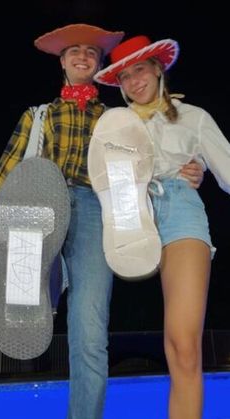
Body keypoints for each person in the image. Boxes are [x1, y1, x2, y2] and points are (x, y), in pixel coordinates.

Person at [0, 24, 204, 419]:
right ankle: (30, 278)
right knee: (26, 287)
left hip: (96, 212)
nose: (83, 56)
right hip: (41, 206)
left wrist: (193, 168)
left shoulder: (121, 120)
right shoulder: (38, 115)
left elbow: (152, 165)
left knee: (90, 330)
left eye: (91, 52)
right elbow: (5, 174)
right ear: (62, 62)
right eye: (74, 51)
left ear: (99, 63)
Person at [92, 34, 230, 418]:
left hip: (180, 211)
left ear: (158, 68)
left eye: (139, 70)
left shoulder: (194, 117)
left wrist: (196, 169)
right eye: (124, 77)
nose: (134, 81)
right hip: (127, 216)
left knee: (183, 345)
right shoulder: (112, 127)